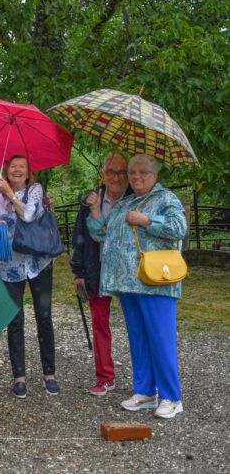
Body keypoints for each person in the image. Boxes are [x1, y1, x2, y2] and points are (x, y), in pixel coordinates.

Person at [87, 154, 187, 419]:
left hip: (156, 284)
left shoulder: (165, 199)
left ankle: (172, 397)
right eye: (133, 173)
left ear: (154, 175)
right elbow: (102, 234)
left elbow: (179, 227)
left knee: (161, 339)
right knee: (139, 340)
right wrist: (96, 211)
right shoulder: (126, 202)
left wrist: (146, 221)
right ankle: (145, 392)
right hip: (128, 284)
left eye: (143, 172)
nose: (136, 177)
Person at [0, 154, 59, 399]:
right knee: (15, 321)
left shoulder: (36, 190)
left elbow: (28, 215)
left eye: (22, 167)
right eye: (12, 166)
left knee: (44, 317)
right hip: (10, 265)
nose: (16, 170)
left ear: (29, 172)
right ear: (6, 170)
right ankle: (19, 377)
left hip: (39, 263)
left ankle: (49, 373)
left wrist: (10, 193)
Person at [70, 153, 131, 396]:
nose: (116, 178)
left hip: (128, 273)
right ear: (104, 174)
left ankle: (145, 380)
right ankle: (105, 376)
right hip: (97, 270)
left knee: (135, 325)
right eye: (111, 172)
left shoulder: (135, 200)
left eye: (121, 173)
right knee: (100, 325)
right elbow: (79, 239)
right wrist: (78, 273)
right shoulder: (90, 200)